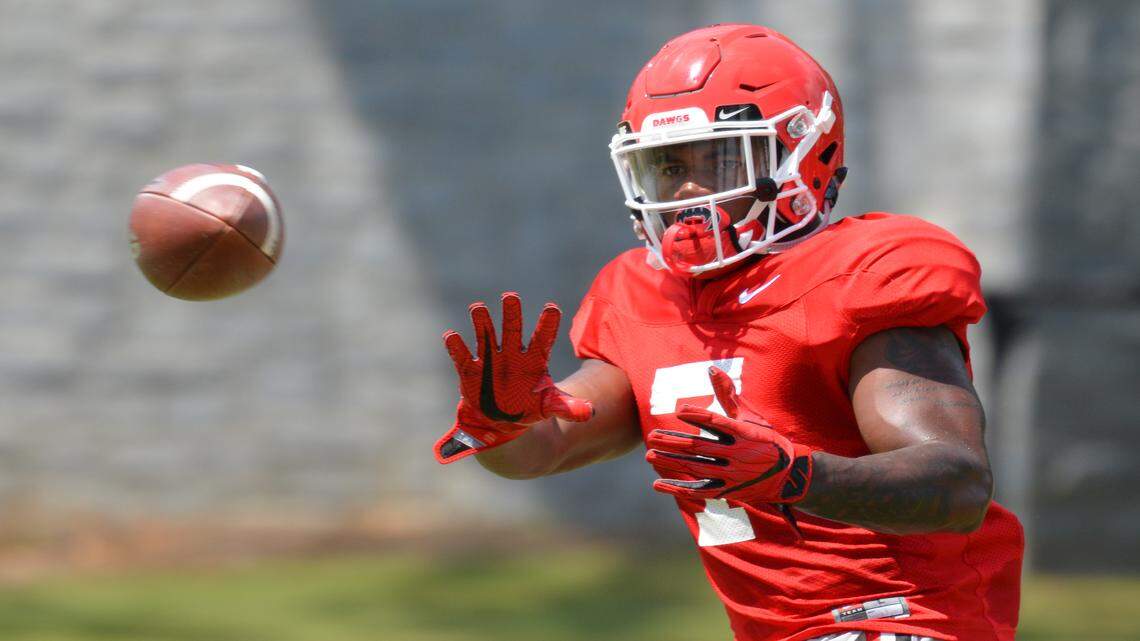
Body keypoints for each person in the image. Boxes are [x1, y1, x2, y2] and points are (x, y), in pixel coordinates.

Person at [434, 23, 1023, 641]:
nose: (687, 190)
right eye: (665, 165)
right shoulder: (637, 293)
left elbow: (956, 484)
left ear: (801, 155)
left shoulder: (863, 273)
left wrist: (796, 476)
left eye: (717, 159)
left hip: (904, 617)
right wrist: (501, 426)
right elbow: (547, 446)